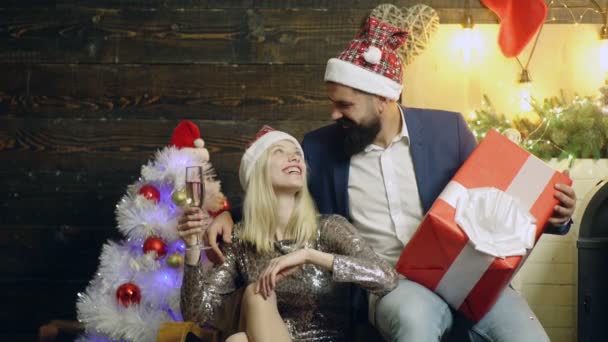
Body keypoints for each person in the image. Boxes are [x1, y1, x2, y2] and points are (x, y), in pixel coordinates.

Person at [207, 15, 577, 342]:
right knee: (415, 322)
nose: (334, 114)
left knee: (526, 334)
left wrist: (557, 217)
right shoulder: (320, 148)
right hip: (390, 284)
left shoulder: (448, 131)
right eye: (333, 103)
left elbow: (497, 205)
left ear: (382, 98)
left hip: (466, 274)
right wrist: (228, 214)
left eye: (345, 105)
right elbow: (278, 194)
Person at [178, 126, 398, 342]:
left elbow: (387, 278)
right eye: (279, 152)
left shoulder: (329, 228)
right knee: (252, 305)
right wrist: (192, 247)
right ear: (257, 171)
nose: (293, 158)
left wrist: (311, 256)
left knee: (240, 336)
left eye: (296, 154)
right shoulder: (239, 241)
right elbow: (197, 315)